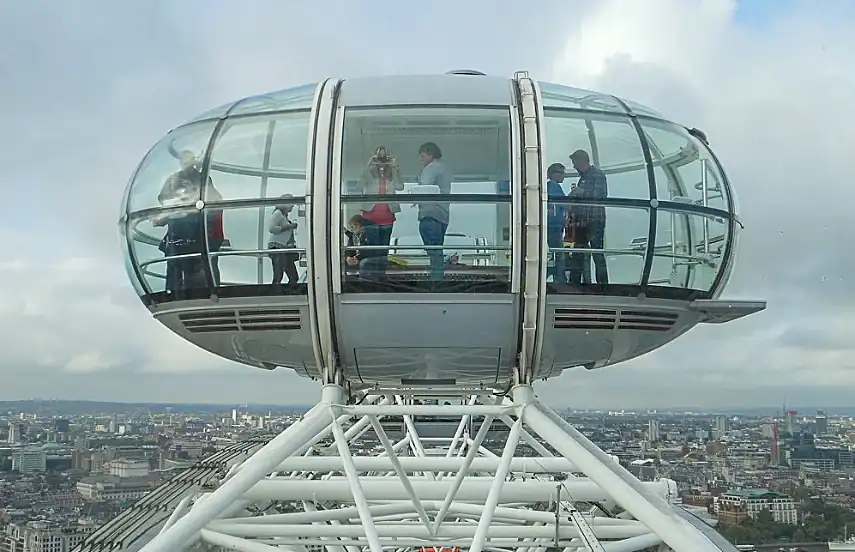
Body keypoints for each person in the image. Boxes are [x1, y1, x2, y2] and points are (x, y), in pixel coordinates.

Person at [356, 146, 404, 279]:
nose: (382, 161)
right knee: (373, 249)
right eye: (379, 158)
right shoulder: (369, 173)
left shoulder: (392, 173)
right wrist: (368, 166)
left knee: (384, 250)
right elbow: (359, 186)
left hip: (387, 217)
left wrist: (395, 168)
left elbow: (400, 186)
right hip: (370, 216)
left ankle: (381, 277)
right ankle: (372, 277)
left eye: (384, 158)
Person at [568, 149, 609, 286]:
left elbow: (601, 195)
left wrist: (582, 192)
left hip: (594, 221)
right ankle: (575, 284)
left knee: (597, 253)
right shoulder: (583, 178)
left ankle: (602, 286)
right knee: (578, 254)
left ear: (581, 161)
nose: (574, 166)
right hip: (581, 222)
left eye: (574, 163)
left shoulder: (598, 175)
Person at [416, 142, 452, 281]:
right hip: (442, 214)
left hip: (430, 213)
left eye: (423, 156)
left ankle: (436, 281)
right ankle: (438, 278)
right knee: (437, 249)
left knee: (433, 251)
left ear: (431, 154)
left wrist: (414, 195)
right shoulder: (445, 169)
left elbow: (425, 189)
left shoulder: (430, 168)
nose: (421, 159)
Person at [267, 194, 299, 285]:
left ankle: (288, 292)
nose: (293, 206)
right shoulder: (278, 213)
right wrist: (289, 226)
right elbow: (271, 228)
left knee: (292, 276)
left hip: (283, 248)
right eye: (291, 203)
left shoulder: (284, 216)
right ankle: (275, 293)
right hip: (277, 248)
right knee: (278, 276)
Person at [545, 163, 568, 283]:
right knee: (558, 253)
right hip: (554, 226)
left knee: (556, 253)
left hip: (553, 225)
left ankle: (556, 276)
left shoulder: (550, 186)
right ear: (555, 174)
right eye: (562, 173)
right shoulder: (553, 186)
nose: (563, 176)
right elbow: (563, 203)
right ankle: (559, 279)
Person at [344, 214, 386, 280]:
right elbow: (350, 247)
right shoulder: (354, 236)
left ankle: (364, 282)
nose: (351, 230)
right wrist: (348, 257)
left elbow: (371, 250)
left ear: (358, 225)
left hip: (370, 258)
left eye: (352, 227)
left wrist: (357, 258)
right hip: (358, 257)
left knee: (364, 262)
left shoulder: (371, 234)